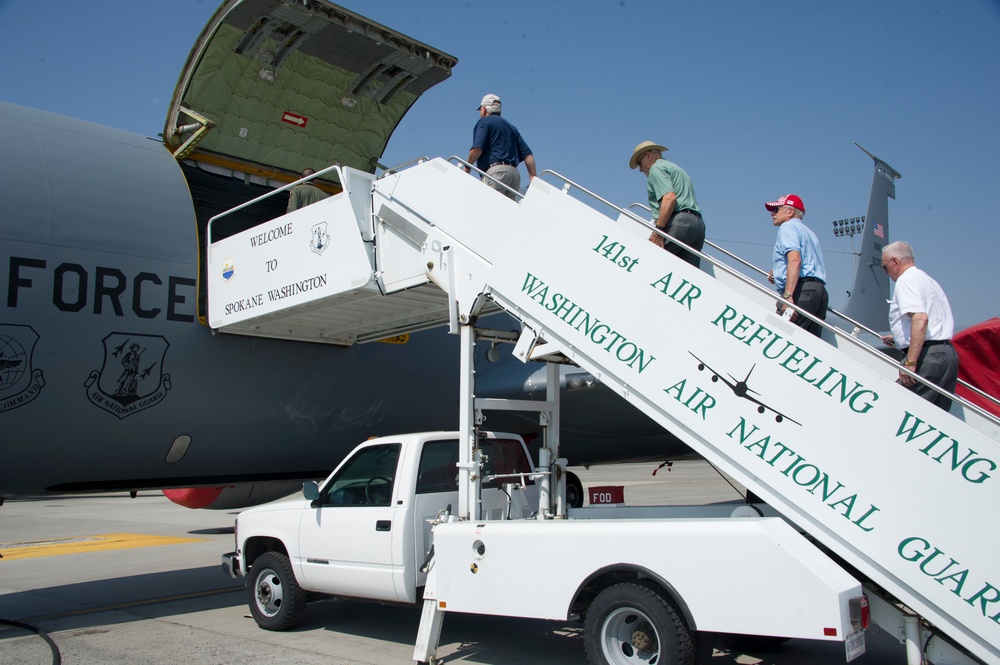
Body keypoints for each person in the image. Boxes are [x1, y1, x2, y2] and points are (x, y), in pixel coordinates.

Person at [879, 241, 959, 411]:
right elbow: (933, 319)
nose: (887, 273)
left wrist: (910, 362)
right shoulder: (928, 280)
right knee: (935, 417)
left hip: (929, 356)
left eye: (885, 267)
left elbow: (920, 319)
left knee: (893, 409)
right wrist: (900, 338)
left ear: (895, 262)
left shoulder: (906, 280)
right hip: (947, 355)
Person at [629, 141, 706, 268]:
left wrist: (658, 232)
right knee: (687, 274)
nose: (640, 169)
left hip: (679, 222)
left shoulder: (656, 169)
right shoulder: (677, 169)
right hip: (698, 226)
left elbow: (669, 198)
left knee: (648, 264)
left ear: (648, 156)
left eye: (639, 163)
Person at [764, 194, 828, 337]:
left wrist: (788, 296)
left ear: (790, 212)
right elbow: (808, 263)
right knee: (809, 343)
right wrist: (779, 272)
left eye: (776, 209)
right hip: (819, 292)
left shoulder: (787, 227)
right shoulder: (809, 233)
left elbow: (795, 260)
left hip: (802, 291)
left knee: (780, 338)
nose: (772, 214)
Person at [464, 93, 536, 199]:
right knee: (505, 212)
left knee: (490, 207)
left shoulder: (484, 122)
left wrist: (467, 167)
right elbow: (528, 155)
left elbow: (477, 149)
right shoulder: (512, 128)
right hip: (514, 175)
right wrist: (532, 177)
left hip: (496, 172)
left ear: (483, 109)